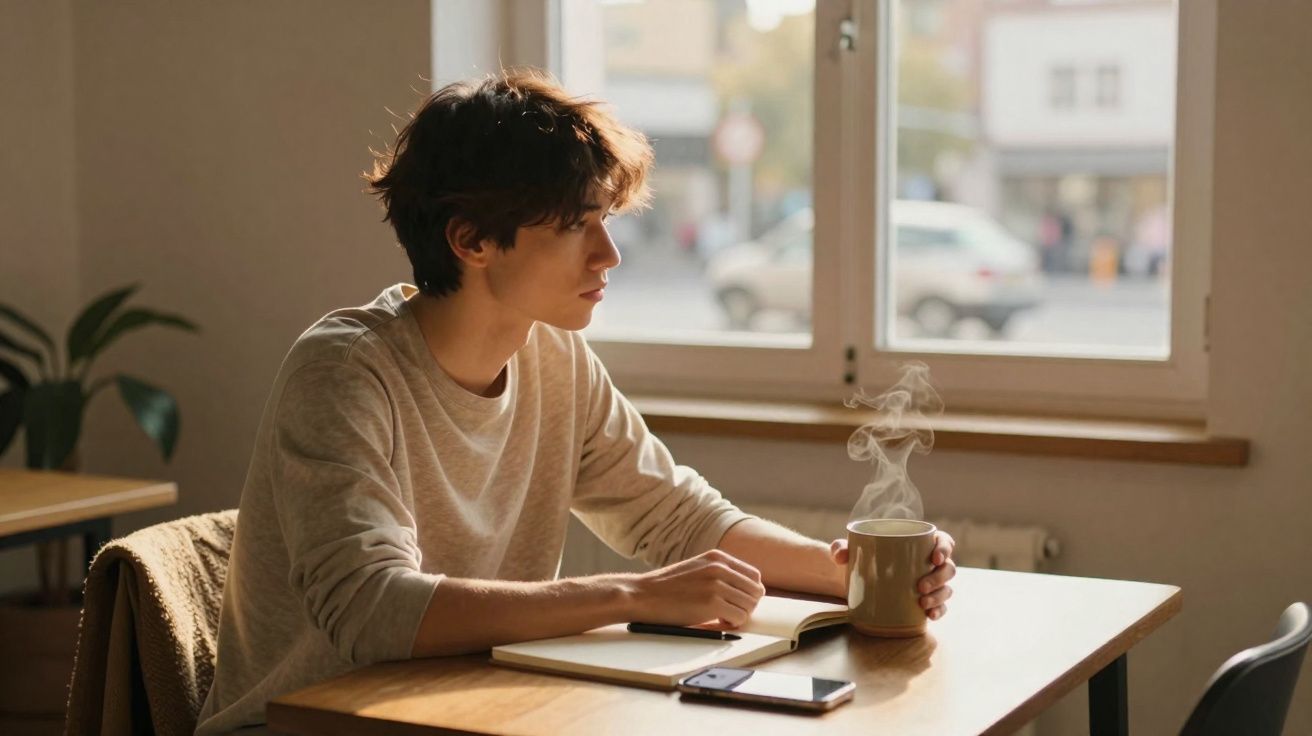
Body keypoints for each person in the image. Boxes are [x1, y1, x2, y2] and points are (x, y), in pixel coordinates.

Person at [194, 69, 956, 734]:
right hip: (309, 722)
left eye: (607, 222)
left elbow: (675, 517)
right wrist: (634, 594)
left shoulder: (554, 355)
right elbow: (371, 611)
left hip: (469, 706)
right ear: (471, 240)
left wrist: (854, 574)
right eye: (576, 226)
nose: (610, 255)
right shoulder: (344, 373)